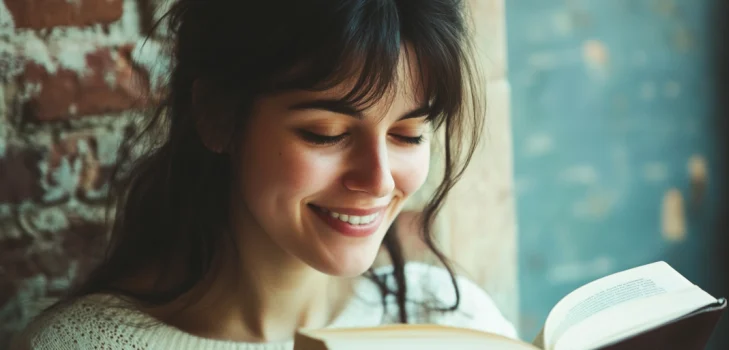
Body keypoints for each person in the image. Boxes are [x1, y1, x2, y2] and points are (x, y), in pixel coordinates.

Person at [11, 0, 518, 348]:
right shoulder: (77, 344)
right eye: (325, 133)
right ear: (217, 117)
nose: (379, 180)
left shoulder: (451, 323)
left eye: (408, 135)